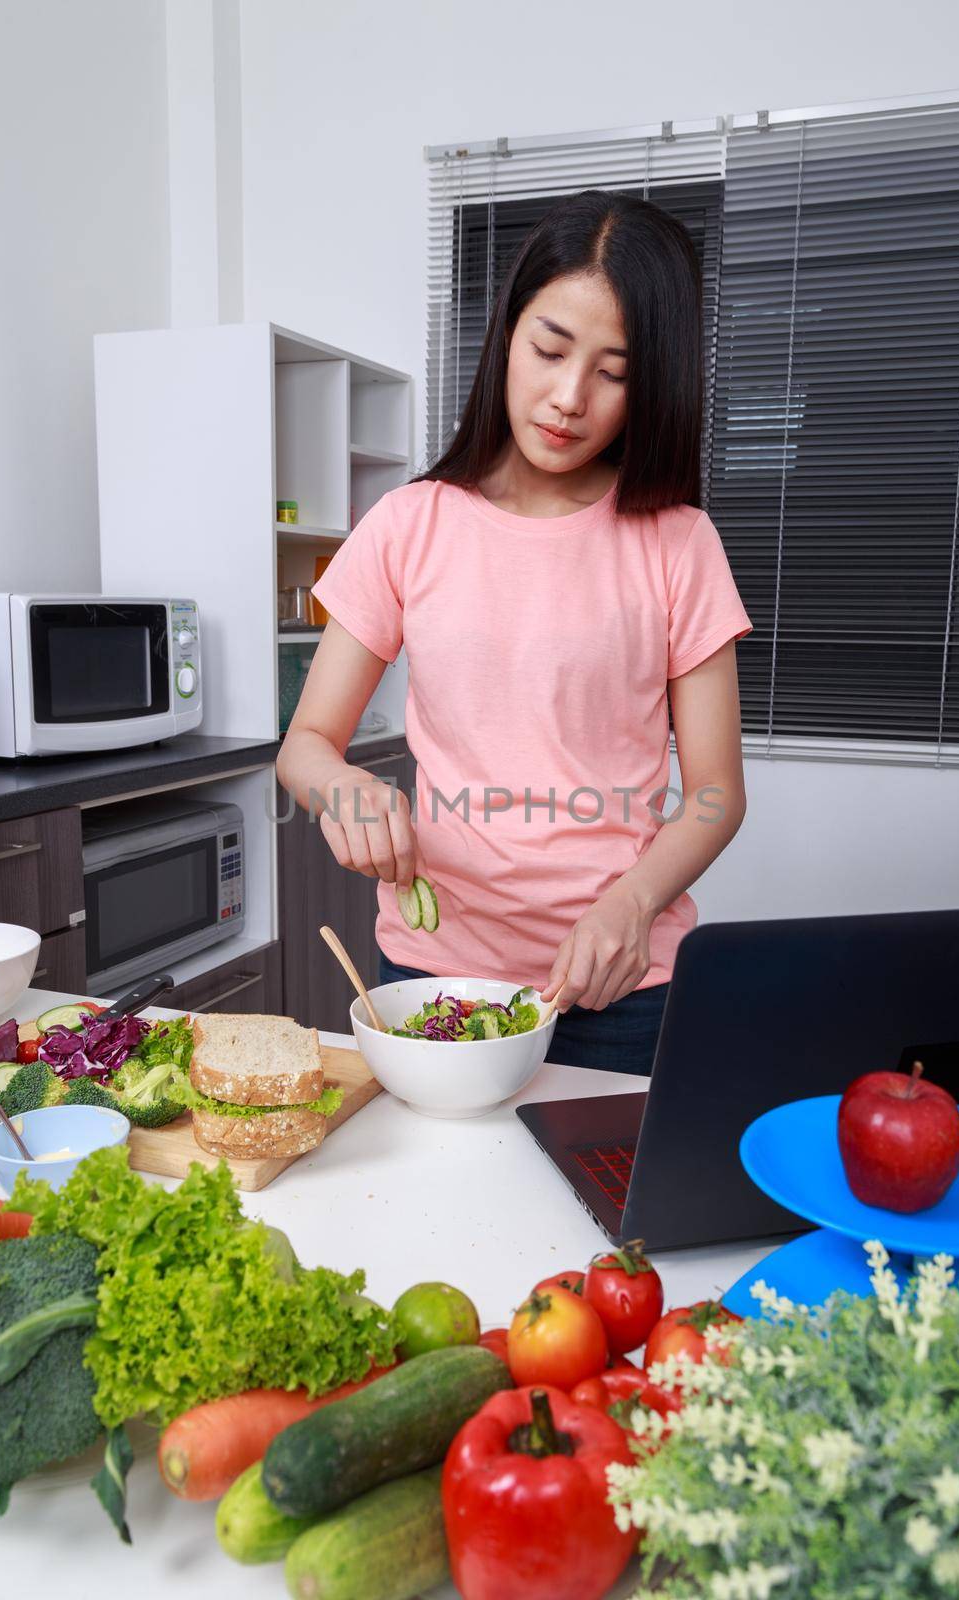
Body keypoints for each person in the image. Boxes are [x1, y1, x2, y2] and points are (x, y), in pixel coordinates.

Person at [276, 189, 753, 1074]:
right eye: (549, 349)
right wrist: (342, 790)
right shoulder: (407, 523)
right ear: (507, 335)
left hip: (622, 984)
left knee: (607, 1214)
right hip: (435, 973)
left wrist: (634, 905)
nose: (569, 397)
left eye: (614, 372)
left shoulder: (679, 542)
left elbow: (716, 792)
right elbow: (305, 744)